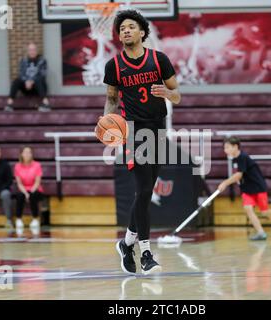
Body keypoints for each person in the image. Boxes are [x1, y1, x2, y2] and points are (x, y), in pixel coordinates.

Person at [101, 10, 181, 275]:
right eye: (122, 28)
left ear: (142, 32)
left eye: (131, 27)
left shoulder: (159, 60)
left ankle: (126, 244)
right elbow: (112, 98)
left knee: (146, 191)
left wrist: (167, 92)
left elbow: (177, 95)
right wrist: (106, 122)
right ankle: (146, 253)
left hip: (158, 128)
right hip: (133, 131)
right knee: (145, 189)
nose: (125, 30)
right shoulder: (114, 65)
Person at [217, 137, 271, 240]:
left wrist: (225, 183)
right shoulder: (234, 160)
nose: (225, 150)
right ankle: (261, 233)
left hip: (258, 187)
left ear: (235, 147)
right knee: (248, 208)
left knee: (264, 211)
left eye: (227, 147)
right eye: (224, 148)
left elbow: (238, 175)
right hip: (247, 189)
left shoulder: (243, 157)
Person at [5, 42, 50, 112]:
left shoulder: (42, 60)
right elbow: (21, 74)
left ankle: (46, 104)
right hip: (26, 88)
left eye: (34, 50)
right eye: (30, 50)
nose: (32, 52)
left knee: (39, 79)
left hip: (37, 88)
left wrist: (31, 82)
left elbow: (42, 74)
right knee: (16, 80)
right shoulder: (23, 60)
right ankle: (9, 104)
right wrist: (26, 81)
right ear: (28, 51)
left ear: (37, 50)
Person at [14, 146, 44, 234]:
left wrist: (30, 192)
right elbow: (19, 183)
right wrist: (25, 193)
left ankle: (35, 218)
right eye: (25, 152)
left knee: (33, 196)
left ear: (32, 154)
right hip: (23, 189)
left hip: (35, 188)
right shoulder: (17, 166)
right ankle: (18, 219)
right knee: (20, 196)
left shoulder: (37, 165)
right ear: (21, 154)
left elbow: (37, 182)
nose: (27, 154)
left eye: (29, 152)